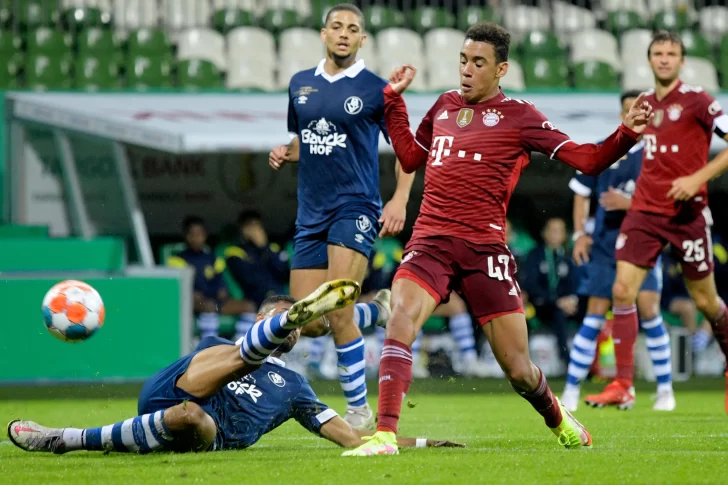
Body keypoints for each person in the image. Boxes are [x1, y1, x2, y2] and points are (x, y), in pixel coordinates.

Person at [343, 21, 653, 456]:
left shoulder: (521, 117)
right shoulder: (445, 106)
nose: (466, 70)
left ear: (501, 69)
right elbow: (412, 156)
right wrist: (393, 104)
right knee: (400, 319)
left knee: (519, 370)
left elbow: (588, 160)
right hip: (430, 241)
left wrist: (627, 134)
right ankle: (386, 436)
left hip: (485, 250)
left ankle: (559, 417)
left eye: (478, 63)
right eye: (463, 61)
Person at [9, 283, 463, 454]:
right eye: (289, 321)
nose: (298, 335)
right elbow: (209, 370)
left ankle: (63, 439)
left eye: (299, 325)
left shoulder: (295, 387)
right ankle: (272, 327)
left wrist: (421, 442)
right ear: (260, 320)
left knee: (191, 416)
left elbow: (353, 439)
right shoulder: (218, 344)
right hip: (175, 389)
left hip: (204, 429)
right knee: (218, 369)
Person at [267, 3, 415, 429]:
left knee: (338, 311)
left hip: (355, 208)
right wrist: (286, 151)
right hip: (310, 214)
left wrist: (399, 200)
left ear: (362, 39)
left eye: (353, 28)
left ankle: (358, 413)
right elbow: (310, 141)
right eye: (337, 26)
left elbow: (406, 154)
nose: (344, 34)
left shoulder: (376, 89)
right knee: (309, 322)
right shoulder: (300, 85)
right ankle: (379, 310)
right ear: (323, 33)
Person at [584, 30, 728, 413]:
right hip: (645, 211)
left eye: (672, 53)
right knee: (621, 291)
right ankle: (624, 384)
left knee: (707, 302)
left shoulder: (698, 100)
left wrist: (696, 179)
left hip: (688, 215)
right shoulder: (645, 103)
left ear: (682, 60)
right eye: (658, 53)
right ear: (649, 60)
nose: (664, 59)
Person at [562, 90, 676, 412]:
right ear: (621, 115)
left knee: (649, 309)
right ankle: (571, 389)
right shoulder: (606, 149)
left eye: (640, 110)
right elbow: (581, 192)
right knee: (595, 311)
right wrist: (579, 233)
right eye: (628, 110)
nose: (635, 116)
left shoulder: (659, 155)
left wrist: (630, 204)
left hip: (644, 241)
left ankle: (665, 389)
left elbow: (669, 201)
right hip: (605, 244)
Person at [168, 215, 257, 340]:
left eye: (200, 233)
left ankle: (240, 347)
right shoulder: (178, 259)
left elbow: (220, 286)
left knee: (249, 307)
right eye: (193, 234)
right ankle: (209, 347)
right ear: (187, 236)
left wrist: (220, 291)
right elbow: (188, 289)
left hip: (214, 301)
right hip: (193, 303)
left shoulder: (212, 258)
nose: (197, 237)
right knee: (207, 305)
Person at [521, 217, 579, 368]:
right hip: (542, 306)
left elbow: (577, 282)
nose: (556, 234)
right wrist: (555, 301)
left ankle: (591, 364)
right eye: (552, 230)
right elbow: (530, 285)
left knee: (591, 312)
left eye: (560, 231)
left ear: (565, 235)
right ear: (544, 233)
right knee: (557, 313)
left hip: (569, 305)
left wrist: (572, 299)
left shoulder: (570, 256)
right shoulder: (535, 255)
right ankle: (566, 363)